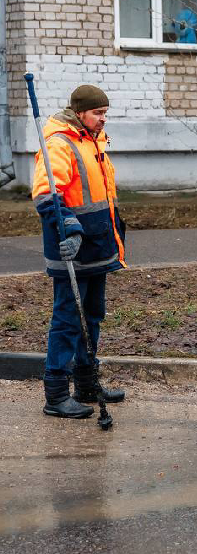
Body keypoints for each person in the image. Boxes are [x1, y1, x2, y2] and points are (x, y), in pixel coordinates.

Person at [32, 85, 127, 419]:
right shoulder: (60, 143)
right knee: (68, 321)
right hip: (70, 248)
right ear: (80, 112)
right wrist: (70, 229)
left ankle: (86, 384)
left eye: (105, 113)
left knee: (93, 317)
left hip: (97, 246)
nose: (103, 119)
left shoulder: (93, 140)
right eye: (98, 113)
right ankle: (56, 395)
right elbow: (46, 194)